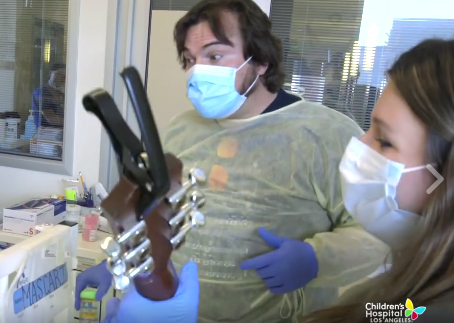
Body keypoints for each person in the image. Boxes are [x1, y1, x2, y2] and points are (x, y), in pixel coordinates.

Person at [80, 38, 454, 323]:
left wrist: (316, 259)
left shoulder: (320, 132)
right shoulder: (413, 296)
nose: (359, 144)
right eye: (191, 60)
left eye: (213, 56)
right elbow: (398, 312)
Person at [31, 63, 66, 128]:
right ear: (50, 73)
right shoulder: (41, 93)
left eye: (64, 76)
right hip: (46, 134)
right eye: (59, 75)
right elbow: (51, 118)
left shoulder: (62, 94)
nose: (61, 79)